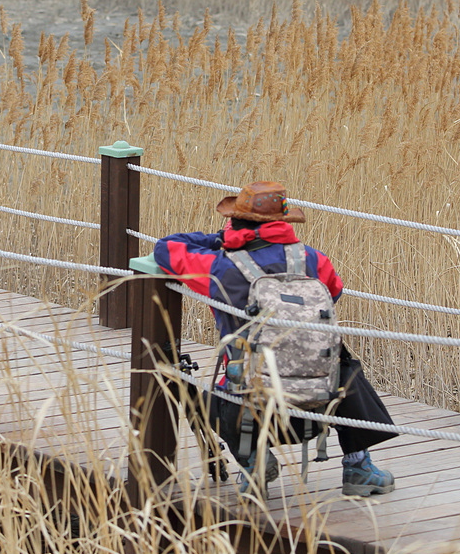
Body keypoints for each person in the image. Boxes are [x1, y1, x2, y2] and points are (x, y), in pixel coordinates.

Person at [154, 181, 397, 498]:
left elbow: (166, 249)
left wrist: (219, 240)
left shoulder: (221, 268)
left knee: (211, 396)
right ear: (282, 222)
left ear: (235, 222)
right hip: (318, 404)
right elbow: (333, 292)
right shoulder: (313, 259)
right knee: (343, 364)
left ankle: (253, 462)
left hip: (250, 409)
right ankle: (358, 466)